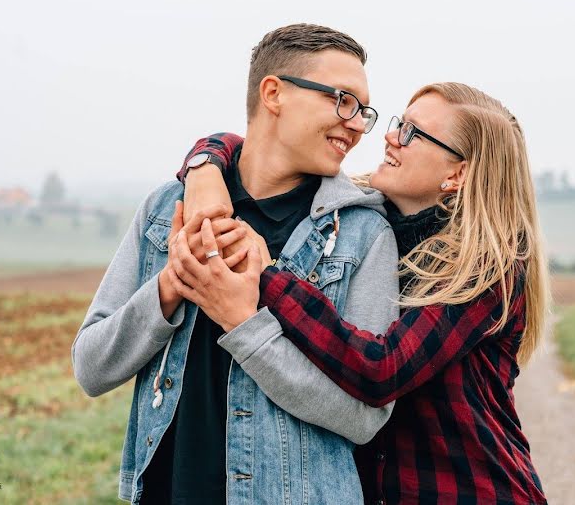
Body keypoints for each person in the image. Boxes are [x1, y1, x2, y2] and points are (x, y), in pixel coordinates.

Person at [169, 82, 551, 504]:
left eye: (412, 133)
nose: (390, 137)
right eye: (398, 124)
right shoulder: (368, 222)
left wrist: (270, 280)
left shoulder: (487, 268)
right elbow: (256, 150)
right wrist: (206, 163)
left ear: (456, 174)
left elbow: (381, 369)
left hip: (470, 491)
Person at [71, 23, 401, 505]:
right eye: (342, 100)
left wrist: (243, 322)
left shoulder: (363, 234)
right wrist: (169, 287)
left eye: (362, 111)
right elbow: (91, 367)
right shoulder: (168, 208)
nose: (355, 124)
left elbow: (365, 417)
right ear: (274, 93)